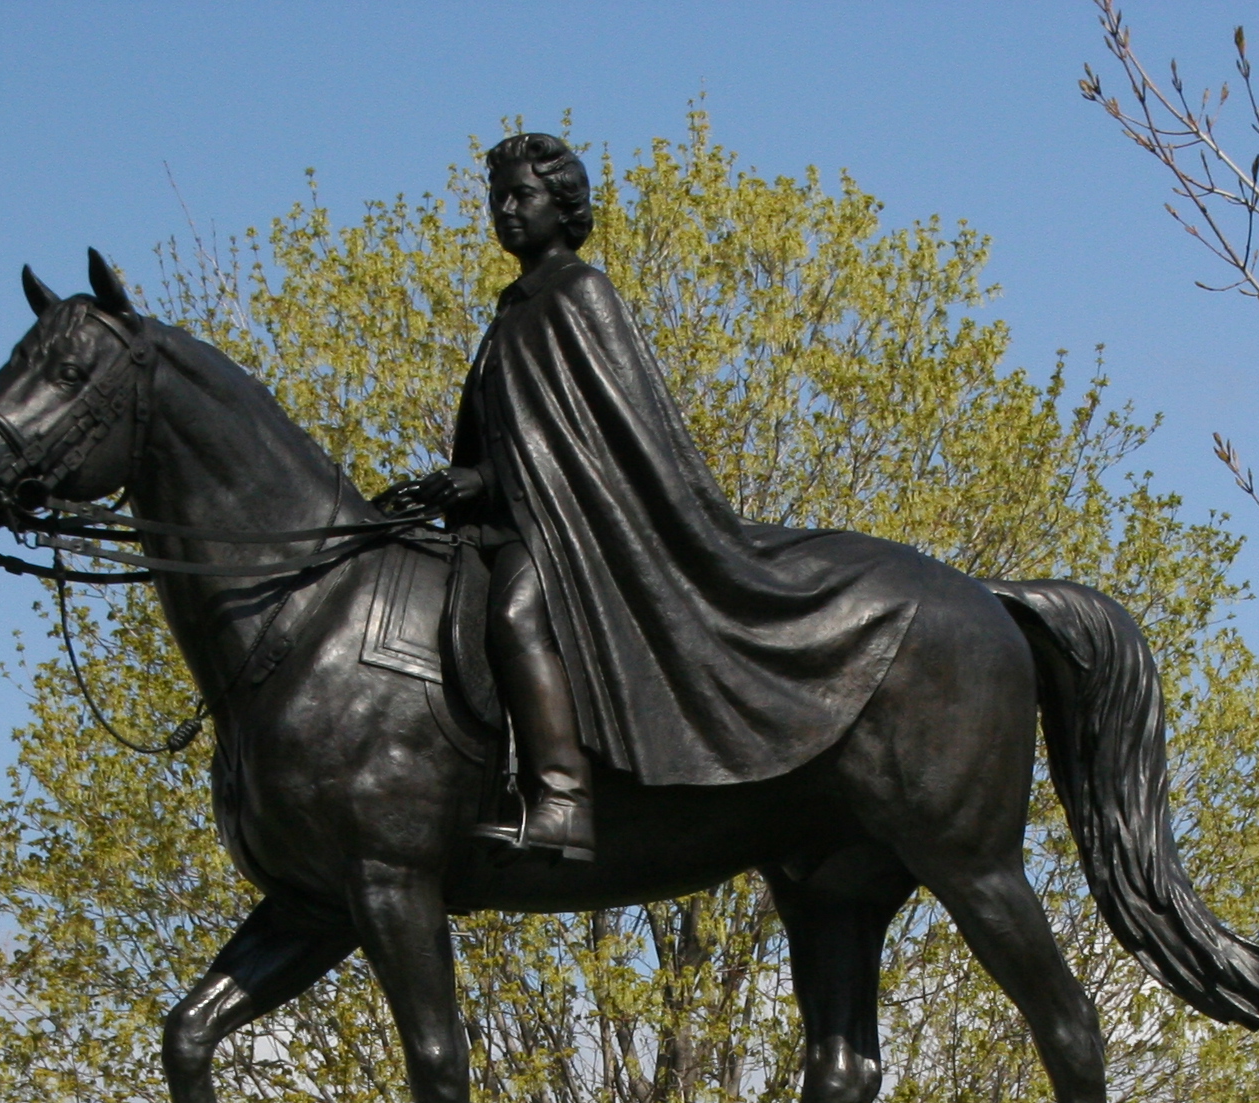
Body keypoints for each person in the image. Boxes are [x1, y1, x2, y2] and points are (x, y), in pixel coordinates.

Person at [375, 131, 914, 864]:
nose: (504, 210)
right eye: (495, 198)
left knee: (514, 613)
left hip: (578, 525)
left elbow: (599, 442)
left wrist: (487, 480)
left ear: (562, 206)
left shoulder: (578, 295)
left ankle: (563, 797)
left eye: (521, 196)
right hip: (519, 518)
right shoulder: (512, 310)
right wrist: (457, 483)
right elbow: (516, 439)